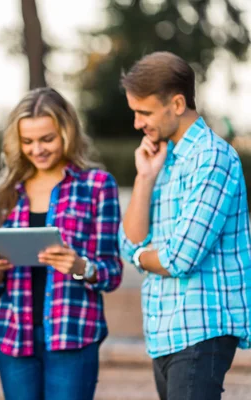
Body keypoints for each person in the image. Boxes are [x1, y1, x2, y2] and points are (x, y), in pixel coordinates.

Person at [119, 51, 251, 400]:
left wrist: (140, 257)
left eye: (143, 112)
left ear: (177, 103)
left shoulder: (212, 158)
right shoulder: (164, 159)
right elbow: (128, 241)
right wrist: (145, 177)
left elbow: (180, 258)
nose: (137, 124)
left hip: (200, 330)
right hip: (164, 331)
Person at [0, 87, 122, 400]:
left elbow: (112, 273)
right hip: (15, 333)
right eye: (28, 141)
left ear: (67, 133)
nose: (37, 149)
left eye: (47, 139)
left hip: (73, 332)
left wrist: (79, 266)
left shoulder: (97, 185)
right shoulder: (5, 191)